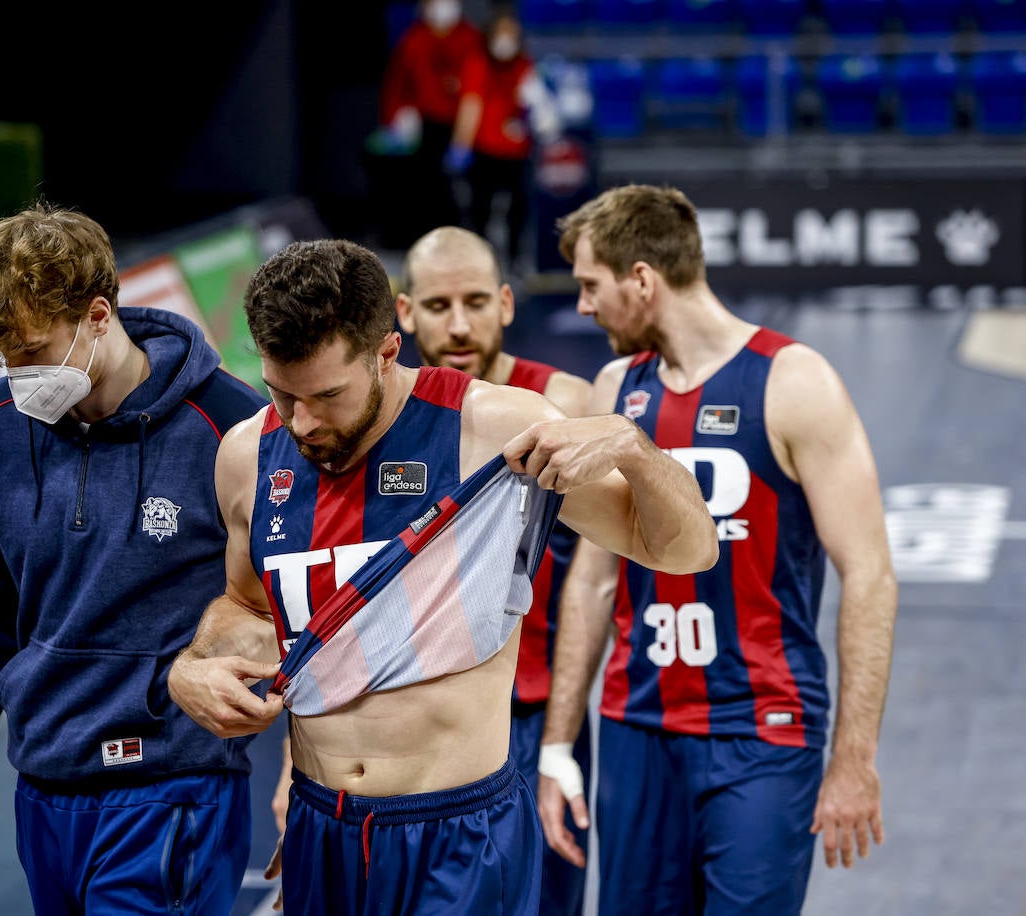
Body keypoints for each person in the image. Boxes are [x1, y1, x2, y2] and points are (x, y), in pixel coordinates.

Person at [167, 237, 718, 914]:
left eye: (326, 396)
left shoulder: (494, 426)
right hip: (320, 824)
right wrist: (195, 666)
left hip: (460, 832)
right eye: (283, 395)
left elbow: (687, 550)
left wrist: (636, 451)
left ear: (388, 352)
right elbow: (248, 608)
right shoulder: (246, 454)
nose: (302, 421)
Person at [537, 184, 898, 915]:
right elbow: (593, 583)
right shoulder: (617, 387)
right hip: (638, 727)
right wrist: (556, 749)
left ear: (642, 280)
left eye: (590, 286)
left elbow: (869, 576)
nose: (581, 307)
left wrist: (854, 760)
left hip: (762, 729)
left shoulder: (794, 382)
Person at [0, 204, 268, 915]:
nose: (20, 375)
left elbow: (298, 607)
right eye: (4, 360)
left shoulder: (229, 424)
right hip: (43, 793)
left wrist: (303, 780)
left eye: (35, 352)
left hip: (171, 794)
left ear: (99, 315)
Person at [394, 224, 591, 915]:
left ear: (507, 304)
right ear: (404, 311)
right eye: (438, 306)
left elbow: (598, 584)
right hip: (416, 719)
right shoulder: (385, 415)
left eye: (476, 302)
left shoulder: (562, 404)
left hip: (531, 713)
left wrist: (562, 741)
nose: (458, 324)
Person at [443, 5, 561, 273]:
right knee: (480, 210)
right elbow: (470, 107)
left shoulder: (524, 66)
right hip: (485, 151)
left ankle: (516, 261)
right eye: (502, 33)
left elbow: (537, 106)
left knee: (518, 210)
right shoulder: (477, 64)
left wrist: (540, 121)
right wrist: (460, 145)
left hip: (517, 153)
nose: (506, 39)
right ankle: (482, 263)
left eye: (512, 33)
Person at [374, 0, 484, 238]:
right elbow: (397, 83)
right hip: (426, 126)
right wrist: (397, 116)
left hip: (467, 126)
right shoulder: (414, 40)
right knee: (425, 187)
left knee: (468, 191)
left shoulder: (472, 39)